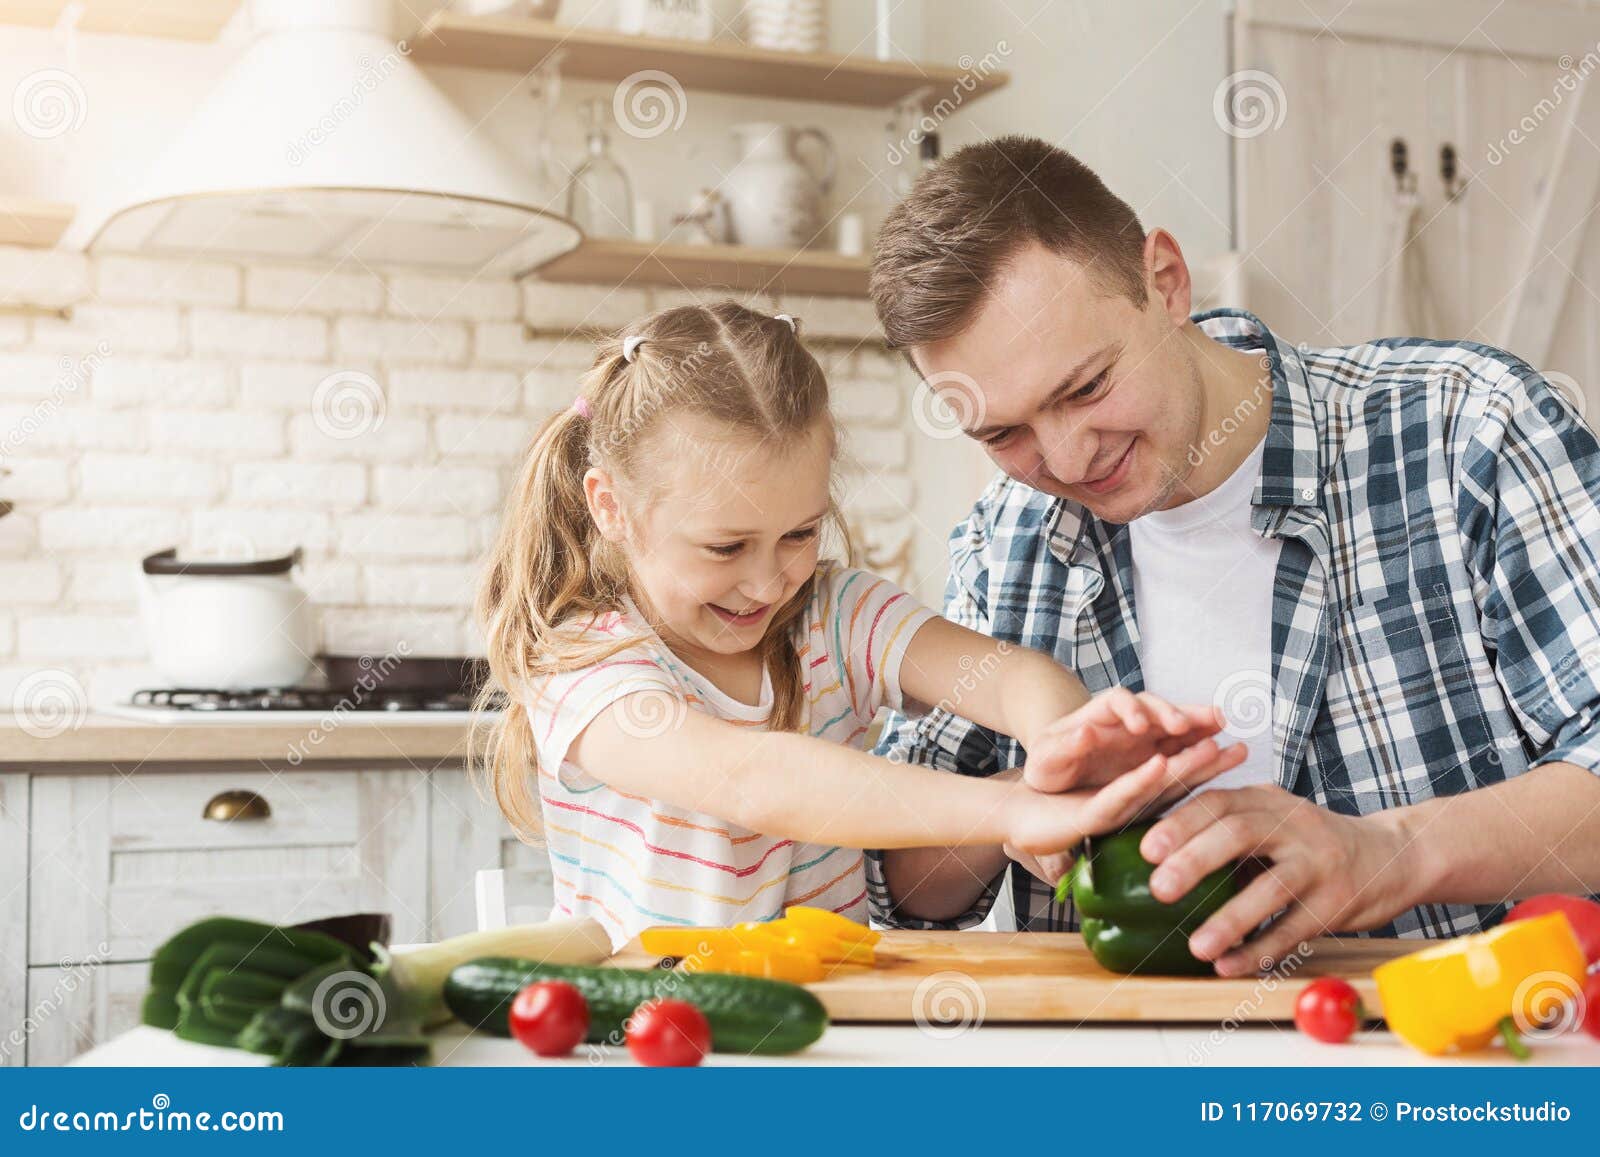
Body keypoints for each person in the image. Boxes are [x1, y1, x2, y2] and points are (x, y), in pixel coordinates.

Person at [866, 135, 1600, 976]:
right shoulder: (1006, 540)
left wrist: (1389, 852)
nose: (1065, 461)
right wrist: (1012, 807)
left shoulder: (1466, 427)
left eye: (1087, 387)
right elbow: (906, 881)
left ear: (1166, 283)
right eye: (1004, 432)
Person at [473, 300, 1241, 947]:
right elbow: (751, 779)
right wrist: (1009, 806)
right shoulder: (584, 663)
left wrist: (1066, 751)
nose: (769, 579)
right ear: (612, 507)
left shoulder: (835, 615)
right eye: (725, 545)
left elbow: (1016, 677)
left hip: (829, 1036)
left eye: (799, 533)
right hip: (648, 1047)